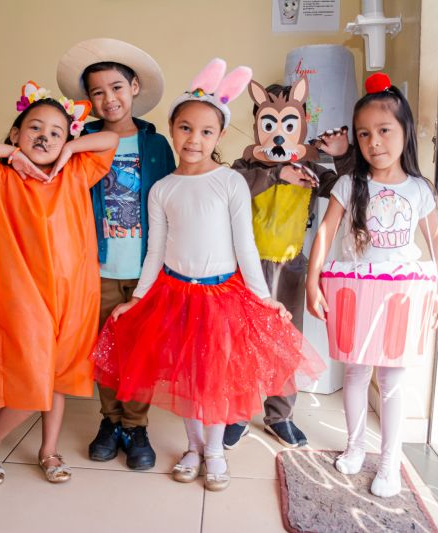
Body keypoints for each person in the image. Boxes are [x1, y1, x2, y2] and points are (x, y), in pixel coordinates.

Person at [91, 59, 324, 491]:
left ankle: (214, 451)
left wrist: (263, 297)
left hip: (222, 297)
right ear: (172, 129)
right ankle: (193, 448)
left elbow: (245, 246)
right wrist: (138, 298)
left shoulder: (229, 182)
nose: (193, 139)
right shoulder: (163, 188)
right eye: (185, 128)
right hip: (174, 294)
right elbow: (156, 251)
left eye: (205, 131)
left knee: (215, 379)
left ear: (219, 136)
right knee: (188, 378)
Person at [0, 81, 118, 484]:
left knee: (58, 375)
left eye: (56, 132)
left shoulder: (77, 172)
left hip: (74, 294)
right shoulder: (1, 178)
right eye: (34, 128)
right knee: (34, 378)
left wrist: (70, 151)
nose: (44, 137)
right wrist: (12, 155)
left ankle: (49, 450)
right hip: (26, 296)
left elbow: (109, 138)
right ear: (16, 133)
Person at [306, 73, 438, 498]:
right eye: (364, 134)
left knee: (392, 381)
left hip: (402, 295)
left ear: (405, 130)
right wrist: (313, 283)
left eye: (384, 130)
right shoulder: (350, 184)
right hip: (357, 292)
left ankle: (389, 461)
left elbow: (437, 241)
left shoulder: (419, 189)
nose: (374, 142)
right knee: (355, 371)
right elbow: (325, 233)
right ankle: (355, 447)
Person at [57, 38, 175, 469]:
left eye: (117, 88)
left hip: (145, 269)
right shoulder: (80, 140)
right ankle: (110, 421)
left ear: (134, 87)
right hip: (98, 268)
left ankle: (136, 425)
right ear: (88, 100)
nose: (109, 99)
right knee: (105, 350)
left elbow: (171, 204)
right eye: (98, 92)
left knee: (140, 351)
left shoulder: (156, 145)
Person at [224, 78, 354, 449]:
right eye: (269, 123)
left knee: (285, 345)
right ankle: (237, 414)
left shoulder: (311, 169)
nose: (279, 133)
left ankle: (279, 415)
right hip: (244, 270)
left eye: (288, 124)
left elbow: (347, 188)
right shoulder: (243, 166)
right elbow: (231, 186)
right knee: (241, 344)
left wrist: (342, 155)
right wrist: (273, 174)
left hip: (290, 269)